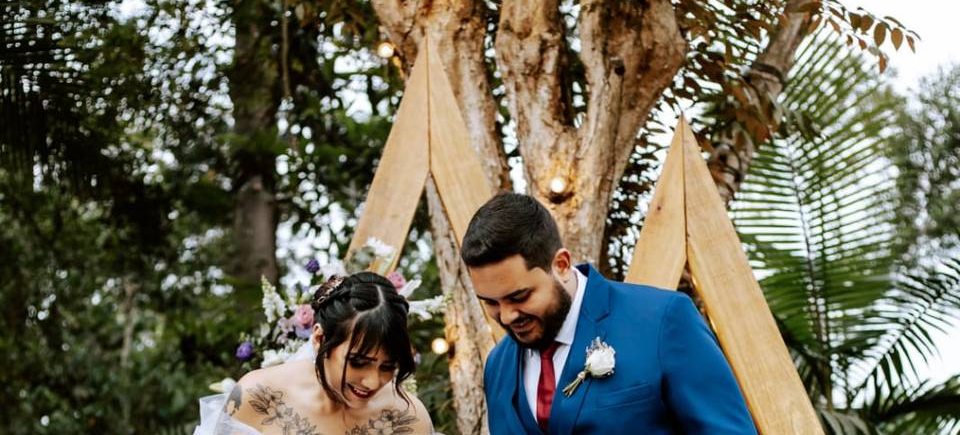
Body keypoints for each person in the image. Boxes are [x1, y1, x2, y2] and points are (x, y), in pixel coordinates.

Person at [461, 192, 758, 434]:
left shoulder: (663, 320)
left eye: (519, 296)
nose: (508, 316)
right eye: (491, 303)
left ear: (562, 265)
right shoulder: (497, 366)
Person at [194, 272, 435, 435]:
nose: (373, 381)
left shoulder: (408, 418)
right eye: (358, 362)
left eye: (387, 366)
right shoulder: (259, 397)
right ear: (320, 338)